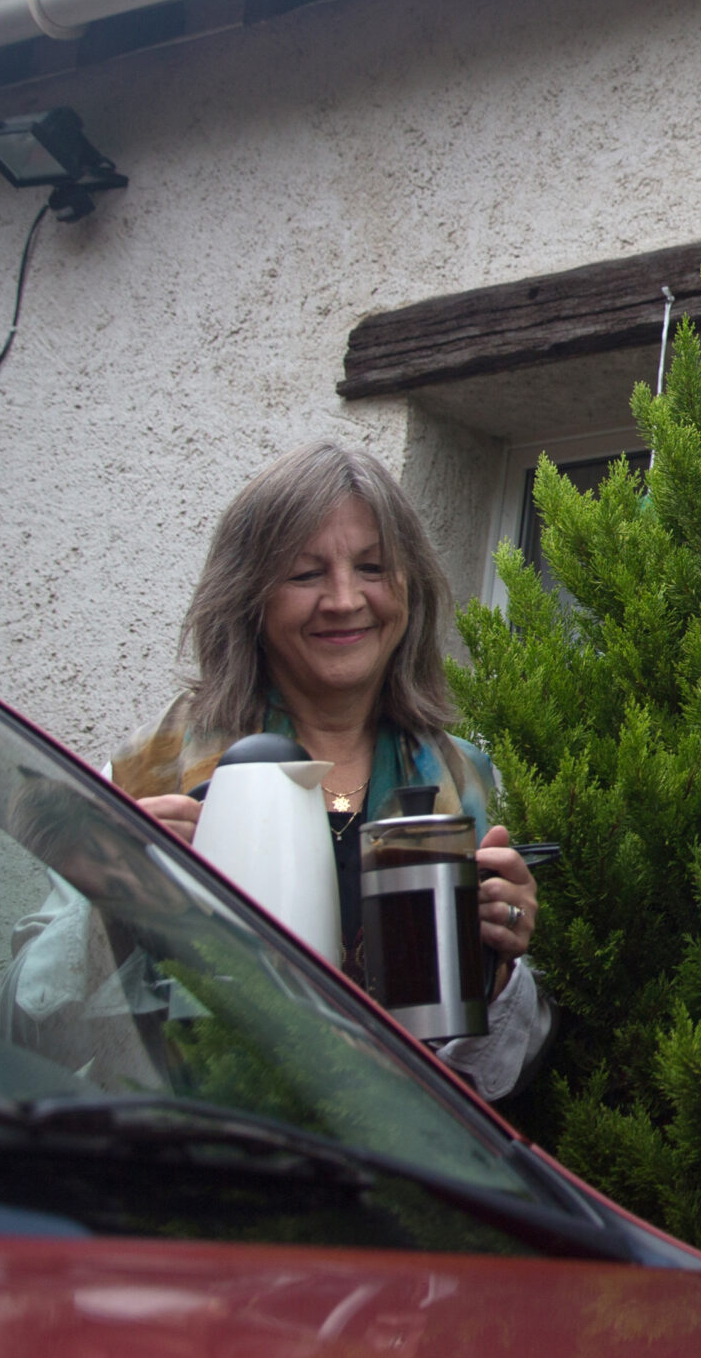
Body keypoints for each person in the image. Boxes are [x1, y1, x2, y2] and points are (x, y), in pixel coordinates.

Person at [111, 441, 550, 1102]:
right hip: (196, 1161)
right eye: (305, 574)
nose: (345, 600)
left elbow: (491, 1080)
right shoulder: (160, 763)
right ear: (249, 598)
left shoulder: (467, 779)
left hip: (395, 1165)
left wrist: (497, 967)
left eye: (373, 567)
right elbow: (32, 1011)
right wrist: (113, 893)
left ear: (410, 590)